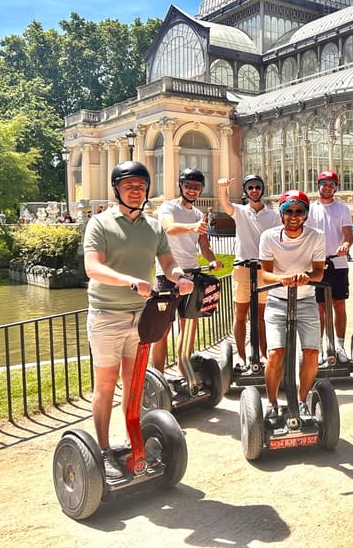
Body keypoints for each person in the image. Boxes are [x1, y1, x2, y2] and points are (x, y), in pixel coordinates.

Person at [83, 161, 195, 480]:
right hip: (107, 316)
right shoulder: (100, 224)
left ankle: (135, 446)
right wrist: (129, 280)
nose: (136, 191)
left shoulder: (153, 226)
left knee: (133, 388)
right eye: (129, 185)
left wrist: (178, 277)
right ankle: (103, 451)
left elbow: (168, 262)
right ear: (116, 189)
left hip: (141, 318)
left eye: (141, 186)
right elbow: (93, 268)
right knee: (105, 386)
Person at [259, 190, 326, 421]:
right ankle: (272, 403)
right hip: (278, 300)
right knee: (276, 353)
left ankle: (301, 400)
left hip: (306, 299)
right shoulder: (268, 237)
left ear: (306, 214)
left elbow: (318, 272)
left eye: (299, 211)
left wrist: (305, 276)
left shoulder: (316, 236)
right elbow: (264, 274)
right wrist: (282, 279)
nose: (293, 216)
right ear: (281, 214)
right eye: (288, 211)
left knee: (311, 352)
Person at [152, 168, 222, 374]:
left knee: (189, 327)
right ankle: (159, 376)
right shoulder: (168, 207)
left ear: (201, 190)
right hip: (167, 275)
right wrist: (193, 227)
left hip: (191, 276)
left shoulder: (199, 215)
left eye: (196, 187)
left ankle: (184, 371)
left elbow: (204, 245)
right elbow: (169, 228)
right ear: (180, 186)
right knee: (162, 330)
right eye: (188, 186)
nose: (192, 190)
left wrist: (213, 260)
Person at [217, 174, 278, 369]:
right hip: (243, 267)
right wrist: (223, 188)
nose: (254, 190)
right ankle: (242, 357)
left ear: (262, 189)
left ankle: (263, 354)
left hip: (263, 269)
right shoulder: (240, 211)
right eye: (250, 187)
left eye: (257, 187)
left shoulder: (273, 215)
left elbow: (278, 239)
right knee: (240, 314)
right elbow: (225, 205)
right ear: (245, 191)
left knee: (261, 315)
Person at [305, 170, 353, 362]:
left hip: (338, 262)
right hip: (317, 263)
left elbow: (348, 234)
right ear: (318, 185)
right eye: (324, 184)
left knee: (339, 304)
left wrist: (346, 245)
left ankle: (339, 345)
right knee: (319, 306)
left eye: (331, 184)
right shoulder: (309, 208)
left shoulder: (342, 209)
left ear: (336, 188)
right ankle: (319, 346)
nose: (328, 187)